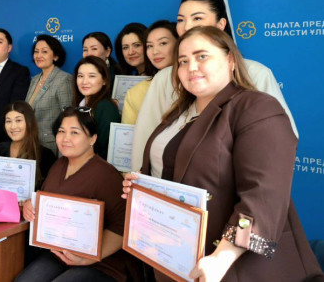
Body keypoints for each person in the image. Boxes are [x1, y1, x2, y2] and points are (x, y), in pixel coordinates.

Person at [122, 27, 322, 281]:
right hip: (177, 257)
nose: (191, 67)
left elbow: (264, 195)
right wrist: (143, 185)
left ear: (230, 60)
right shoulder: (178, 112)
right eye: (183, 61)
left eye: (202, 56)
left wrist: (223, 256)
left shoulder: (256, 107)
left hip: (236, 267)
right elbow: (175, 170)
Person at [130, 0, 298, 170]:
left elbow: (278, 142)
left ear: (221, 24)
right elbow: (145, 135)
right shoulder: (165, 77)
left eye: (197, 18)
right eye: (181, 20)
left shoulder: (256, 73)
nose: (186, 26)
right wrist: (139, 179)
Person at [18, 107, 140, 282]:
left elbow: (123, 227)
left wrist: (90, 257)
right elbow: (45, 198)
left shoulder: (106, 175)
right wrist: (32, 204)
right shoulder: (58, 165)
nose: (65, 138)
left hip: (101, 264)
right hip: (59, 253)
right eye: (61, 131)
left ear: (92, 139)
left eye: (74, 132)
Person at [121, 21, 178, 125]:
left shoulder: (195, 83)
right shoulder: (136, 92)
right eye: (150, 46)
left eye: (163, 43)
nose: (155, 51)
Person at [25, 35, 72, 155]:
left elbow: (68, 118)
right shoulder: (34, 79)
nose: (39, 55)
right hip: (32, 143)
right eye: (36, 51)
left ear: (55, 56)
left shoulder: (64, 79)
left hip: (52, 145)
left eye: (44, 51)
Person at [0, 102, 56, 190]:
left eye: (18, 120)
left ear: (29, 122)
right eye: (8, 121)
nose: (13, 126)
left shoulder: (46, 156)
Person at [72, 56, 120, 160]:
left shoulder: (106, 107)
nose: (84, 81)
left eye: (91, 76)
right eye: (80, 76)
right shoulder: (80, 106)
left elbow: (103, 149)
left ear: (104, 80)